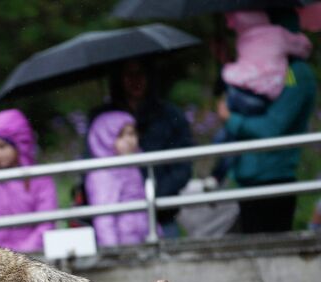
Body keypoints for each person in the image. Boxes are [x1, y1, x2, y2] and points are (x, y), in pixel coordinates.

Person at [217, 8, 317, 233]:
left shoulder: (296, 73)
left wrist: (232, 119)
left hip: (273, 179)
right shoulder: (262, 70)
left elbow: (272, 128)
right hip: (248, 180)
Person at [88, 59, 193, 239]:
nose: (135, 80)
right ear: (119, 79)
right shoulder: (101, 119)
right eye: (129, 75)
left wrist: (154, 196)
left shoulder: (170, 115)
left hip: (162, 214)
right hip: (121, 227)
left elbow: (183, 164)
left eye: (140, 73)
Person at [0, 109, 57, 253]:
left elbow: (46, 224)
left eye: (2, 146)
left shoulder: (39, 179)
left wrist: (23, 254)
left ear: (20, 145)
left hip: (34, 259)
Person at [84, 111, 150, 247]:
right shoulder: (103, 173)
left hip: (141, 240)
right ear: (104, 138)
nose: (129, 140)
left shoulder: (132, 167)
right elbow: (104, 219)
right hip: (122, 245)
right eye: (120, 135)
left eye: (132, 133)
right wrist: (113, 251)